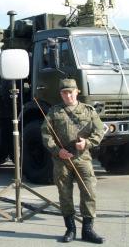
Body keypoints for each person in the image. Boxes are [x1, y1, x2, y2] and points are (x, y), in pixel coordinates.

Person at [41, 78, 105, 244]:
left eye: (70, 92)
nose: (68, 95)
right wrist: (57, 150)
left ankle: (88, 230)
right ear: (60, 94)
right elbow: (46, 134)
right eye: (64, 92)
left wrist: (87, 143)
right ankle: (70, 229)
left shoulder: (88, 111)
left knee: (89, 192)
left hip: (82, 158)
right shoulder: (54, 112)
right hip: (62, 159)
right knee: (64, 194)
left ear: (77, 92)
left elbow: (99, 131)